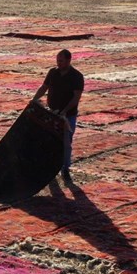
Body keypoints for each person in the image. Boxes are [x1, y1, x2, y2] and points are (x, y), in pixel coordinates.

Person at [31, 48, 84, 180]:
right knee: (48, 141)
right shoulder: (53, 72)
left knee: (66, 143)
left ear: (68, 60)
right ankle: (49, 168)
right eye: (57, 60)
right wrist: (34, 100)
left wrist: (64, 111)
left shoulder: (77, 76)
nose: (58, 63)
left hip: (67, 116)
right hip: (52, 114)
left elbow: (76, 97)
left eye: (61, 61)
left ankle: (65, 169)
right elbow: (44, 87)